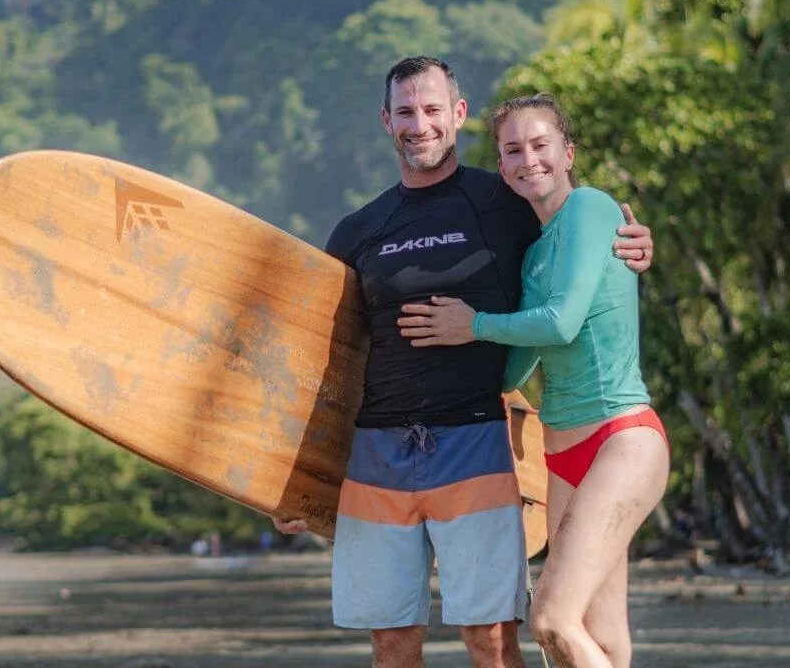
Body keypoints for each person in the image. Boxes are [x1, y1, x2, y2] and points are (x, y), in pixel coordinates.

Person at [274, 58, 654, 668]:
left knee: (492, 638)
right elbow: (324, 359)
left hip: (477, 439)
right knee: (392, 642)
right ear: (386, 121)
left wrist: (633, 244)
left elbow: (574, 252)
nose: (418, 124)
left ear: (457, 115)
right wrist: (287, 477)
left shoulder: (505, 201)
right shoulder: (358, 229)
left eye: (431, 109)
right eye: (405, 111)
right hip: (376, 453)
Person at [396, 93, 670, 668]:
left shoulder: (592, 209)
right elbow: (520, 364)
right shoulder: (534, 254)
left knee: (550, 619)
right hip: (561, 452)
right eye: (512, 150)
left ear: (567, 152)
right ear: (501, 165)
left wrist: (472, 325)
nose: (528, 161)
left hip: (621, 437)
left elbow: (563, 322)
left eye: (540, 145)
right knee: (604, 634)